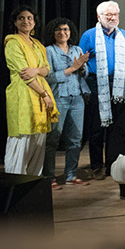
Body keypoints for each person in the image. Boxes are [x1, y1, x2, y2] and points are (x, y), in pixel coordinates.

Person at [79, 0, 125, 179]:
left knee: (115, 127)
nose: (112, 17)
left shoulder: (124, 35)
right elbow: (80, 60)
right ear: (99, 17)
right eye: (108, 15)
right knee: (97, 127)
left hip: (119, 84)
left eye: (115, 14)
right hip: (96, 83)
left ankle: (112, 164)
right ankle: (96, 165)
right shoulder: (89, 35)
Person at [4, 6, 59, 176]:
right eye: (21, 18)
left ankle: (32, 187)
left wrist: (36, 71)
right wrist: (44, 94)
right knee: (22, 140)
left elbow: (46, 69)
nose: (26, 21)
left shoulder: (38, 44)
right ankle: (15, 185)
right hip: (23, 95)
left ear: (34, 23)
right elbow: (24, 74)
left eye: (29, 18)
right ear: (15, 22)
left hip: (41, 95)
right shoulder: (13, 42)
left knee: (38, 141)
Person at [44, 18, 90, 187]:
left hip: (77, 97)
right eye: (58, 30)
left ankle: (71, 175)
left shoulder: (76, 49)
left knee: (76, 139)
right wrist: (72, 68)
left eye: (66, 29)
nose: (63, 32)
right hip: (58, 98)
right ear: (53, 32)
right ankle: (49, 177)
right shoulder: (49, 51)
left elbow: (82, 75)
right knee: (53, 139)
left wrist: (82, 67)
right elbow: (48, 77)